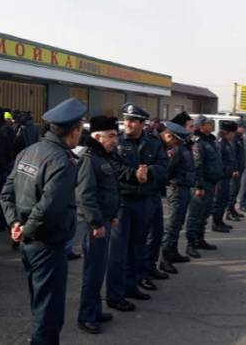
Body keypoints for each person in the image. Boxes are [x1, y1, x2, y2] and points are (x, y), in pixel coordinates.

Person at [0, 97, 86, 345]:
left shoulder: (29, 151)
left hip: (28, 242)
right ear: (75, 131)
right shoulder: (63, 161)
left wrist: (14, 224)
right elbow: (49, 209)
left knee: (39, 302)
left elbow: (6, 193)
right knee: (48, 311)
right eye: (80, 129)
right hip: (47, 244)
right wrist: (24, 228)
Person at [106, 103, 167, 310]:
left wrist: (149, 172)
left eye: (132, 120)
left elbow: (163, 167)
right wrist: (134, 175)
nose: (128, 124)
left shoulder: (153, 143)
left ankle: (131, 286)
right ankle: (115, 295)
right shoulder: (117, 141)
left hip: (145, 201)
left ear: (142, 123)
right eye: (126, 119)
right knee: (118, 251)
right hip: (122, 202)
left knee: (137, 247)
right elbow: (113, 167)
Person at [75, 116, 120, 334]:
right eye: (111, 136)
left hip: (103, 220)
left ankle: (95, 309)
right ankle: (86, 316)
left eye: (116, 135)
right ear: (97, 137)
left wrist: (111, 214)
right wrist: (95, 222)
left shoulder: (105, 156)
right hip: (94, 224)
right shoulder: (89, 158)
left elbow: (109, 190)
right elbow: (85, 195)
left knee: (99, 268)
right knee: (92, 271)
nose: (116, 139)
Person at [144, 121, 188, 280]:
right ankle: (145, 271)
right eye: (175, 142)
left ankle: (151, 267)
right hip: (146, 194)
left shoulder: (160, 145)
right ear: (168, 136)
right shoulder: (152, 145)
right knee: (149, 236)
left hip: (154, 193)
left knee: (156, 233)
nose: (174, 147)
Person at [160, 112, 196, 269]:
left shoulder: (184, 144)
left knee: (178, 223)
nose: (192, 130)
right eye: (190, 126)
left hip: (184, 187)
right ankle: (165, 258)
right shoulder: (176, 148)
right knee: (172, 225)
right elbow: (168, 170)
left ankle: (173, 252)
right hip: (176, 188)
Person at [185, 115, 223, 256]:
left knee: (205, 213)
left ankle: (200, 239)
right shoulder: (198, 142)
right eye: (208, 123)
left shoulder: (210, 140)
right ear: (201, 126)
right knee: (195, 215)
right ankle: (191, 244)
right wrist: (199, 186)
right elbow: (197, 165)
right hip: (202, 183)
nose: (211, 125)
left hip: (211, 182)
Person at [212, 121, 239, 232]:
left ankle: (220, 221)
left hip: (227, 176)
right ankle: (216, 223)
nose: (234, 135)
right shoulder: (220, 143)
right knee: (219, 200)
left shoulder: (226, 142)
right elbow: (218, 161)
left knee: (224, 200)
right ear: (228, 132)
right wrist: (225, 171)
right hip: (221, 177)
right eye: (233, 133)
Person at [226, 124, 246, 221]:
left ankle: (232, 209)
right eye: (242, 127)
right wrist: (234, 169)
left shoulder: (239, 138)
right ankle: (229, 212)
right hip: (235, 170)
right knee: (232, 191)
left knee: (236, 190)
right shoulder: (234, 139)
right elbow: (232, 155)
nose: (244, 129)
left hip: (239, 168)